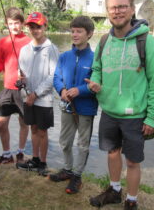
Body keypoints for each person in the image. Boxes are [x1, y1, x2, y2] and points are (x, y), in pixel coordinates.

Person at [85, 0, 154, 210]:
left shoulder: (147, 41)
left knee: (132, 161)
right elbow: (97, 68)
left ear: (131, 10)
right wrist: (95, 82)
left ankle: (131, 200)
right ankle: (114, 190)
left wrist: (153, 117)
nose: (117, 11)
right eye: (113, 8)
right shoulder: (103, 40)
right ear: (108, 12)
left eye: (122, 7)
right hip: (109, 111)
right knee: (112, 153)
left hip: (135, 114)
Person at [50, 16, 98, 194]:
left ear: (90, 34)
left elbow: (98, 83)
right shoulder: (64, 56)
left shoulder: (95, 59)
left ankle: (77, 176)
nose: (75, 34)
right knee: (64, 142)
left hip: (86, 109)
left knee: (83, 144)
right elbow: (57, 77)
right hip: (67, 107)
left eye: (79, 31)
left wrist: (81, 90)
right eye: (73, 31)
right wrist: (62, 90)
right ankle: (67, 169)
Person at [0, 7, 31, 165]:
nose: (14, 26)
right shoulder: (3, 42)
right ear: (7, 24)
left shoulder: (29, 42)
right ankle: (6, 154)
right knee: (1, 123)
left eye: (17, 23)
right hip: (7, 90)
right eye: (11, 23)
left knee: (24, 122)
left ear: (22, 24)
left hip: (23, 90)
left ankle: (20, 152)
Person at [16, 12, 59, 175]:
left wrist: (36, 94)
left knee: (42, 131)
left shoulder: (52, 49)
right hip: (28, 97)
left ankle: (43, 162)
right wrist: (21, 80)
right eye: (32, 27)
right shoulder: (24, 49)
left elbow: (53, 76)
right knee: (33, 128)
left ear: (45, 27)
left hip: (43, 99)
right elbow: (22, 71)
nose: (35, 30)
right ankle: (34, 159)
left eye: (38, 27)